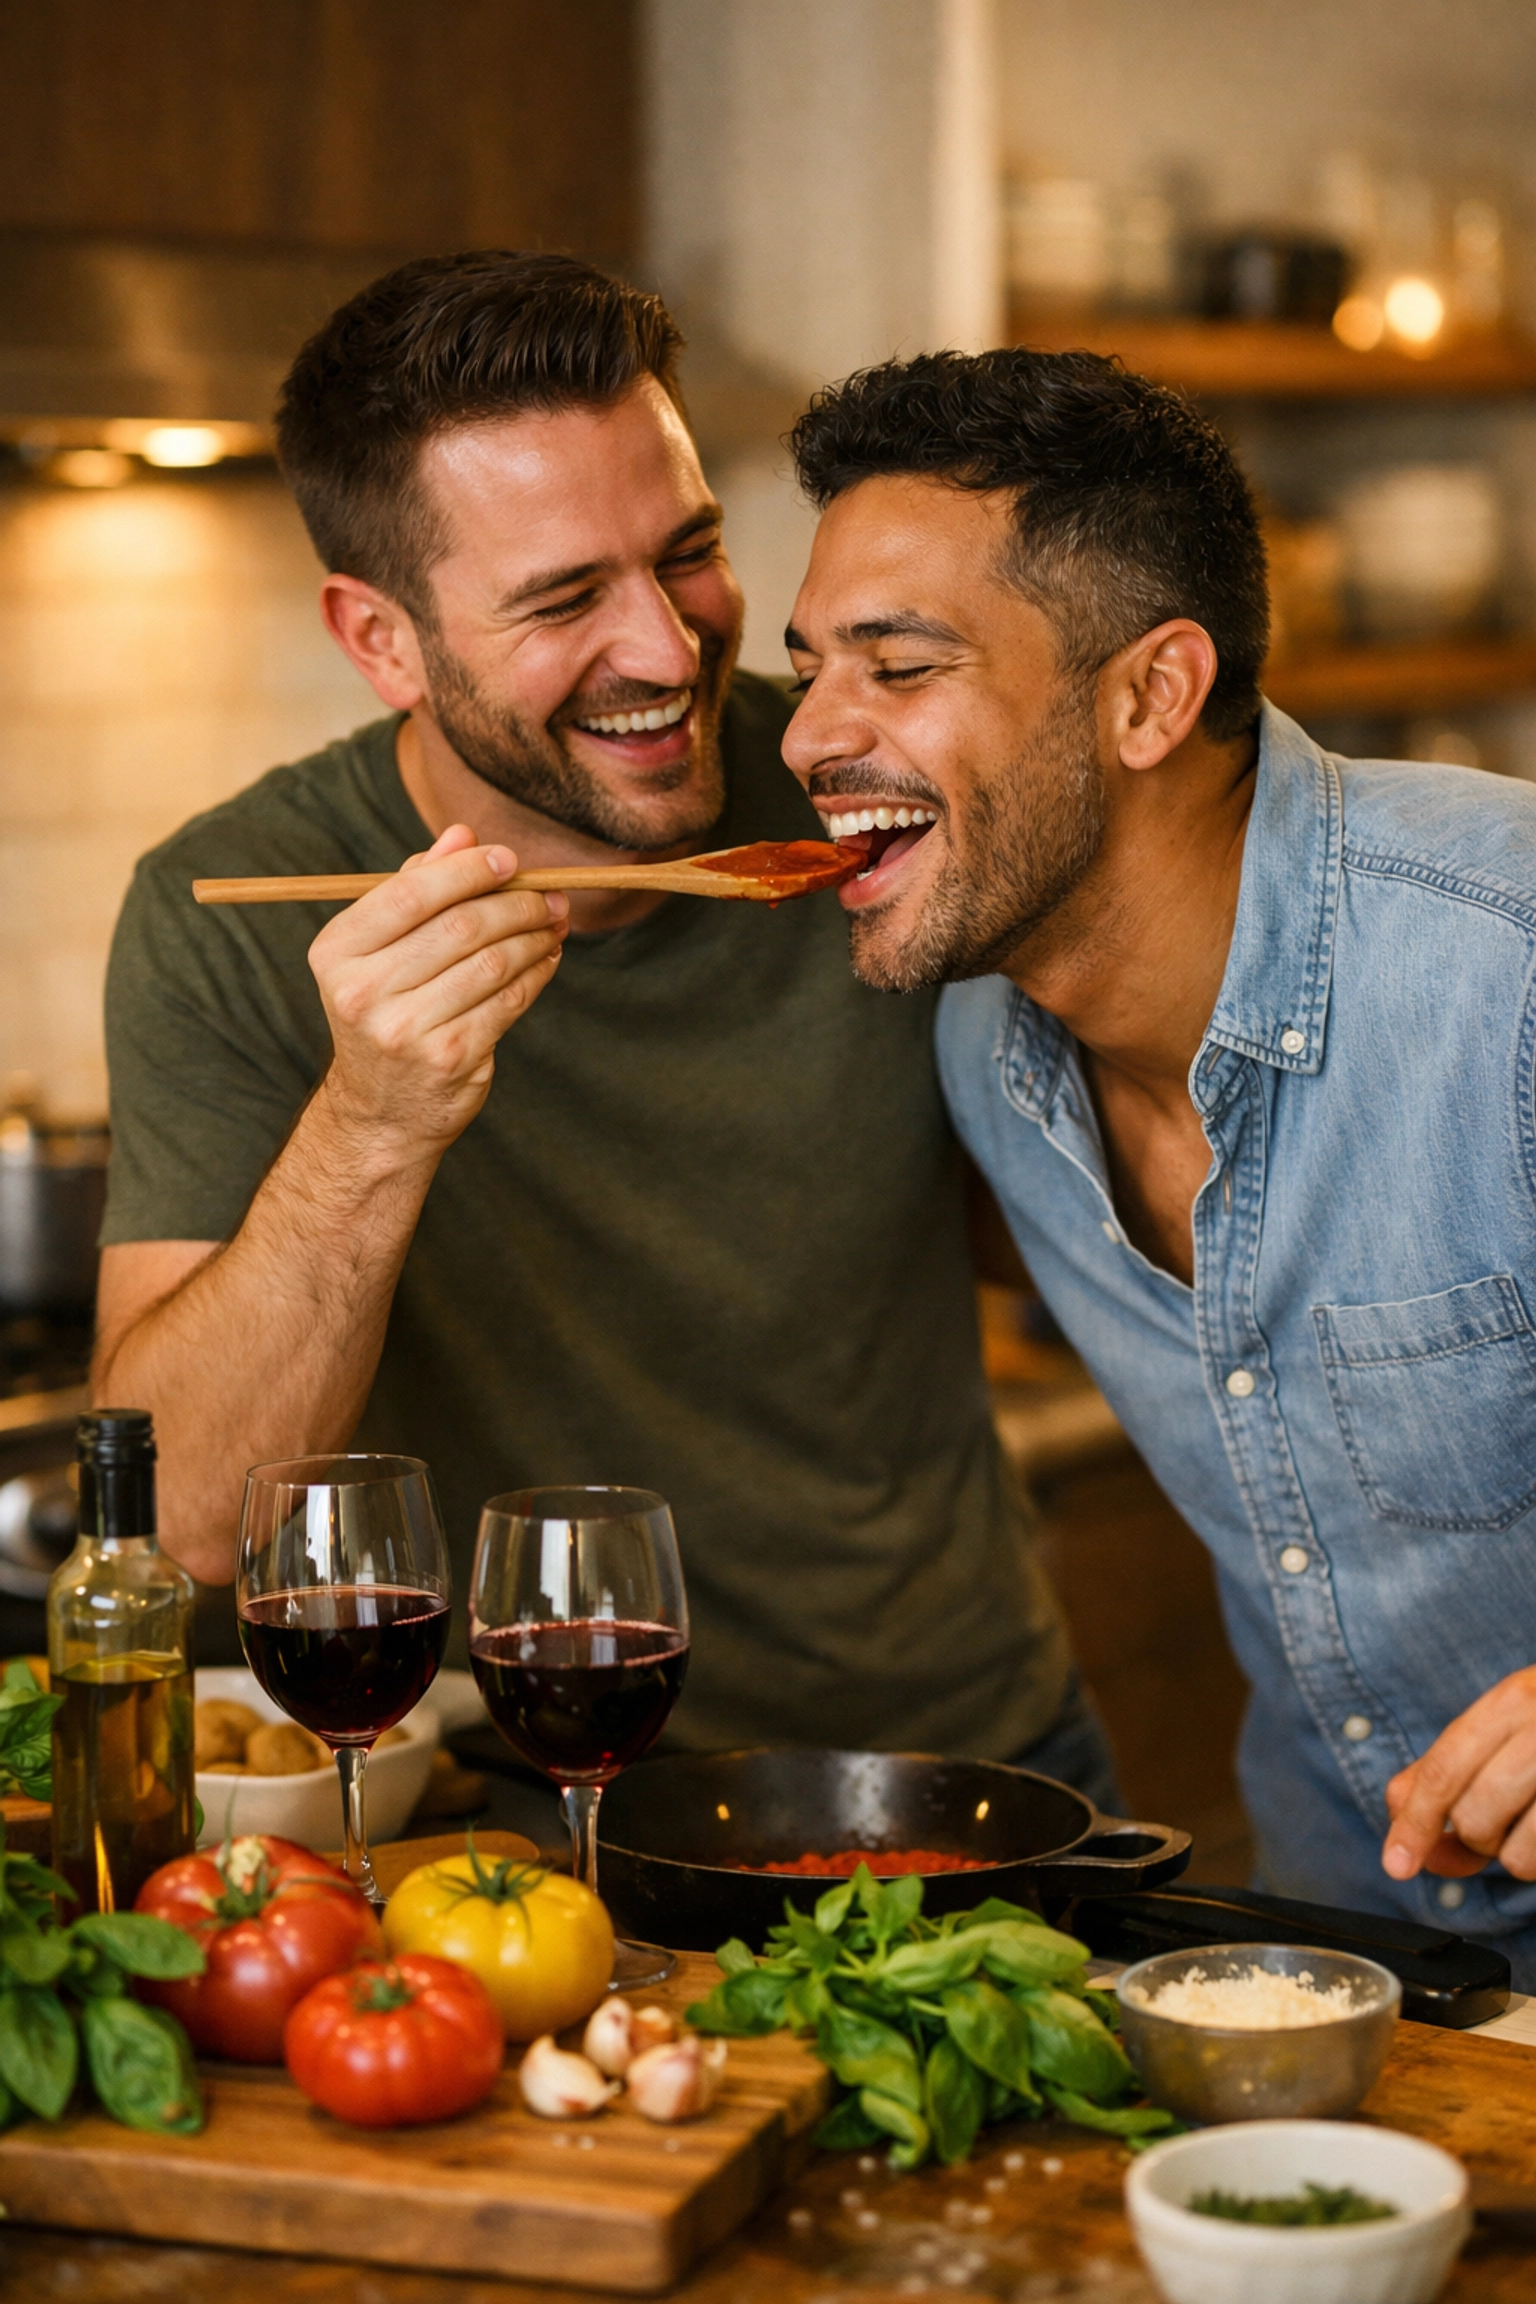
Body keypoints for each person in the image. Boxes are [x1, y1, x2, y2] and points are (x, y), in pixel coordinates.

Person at [92, 254, 1103, 1789]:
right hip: (512, 1801)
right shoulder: (222, 910)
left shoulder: (870, 797)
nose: (667, 648)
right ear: (380, 640)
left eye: (688, 553)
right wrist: (374, 1123)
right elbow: (185, 1524)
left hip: (952, 1749)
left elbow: (1072, 1237)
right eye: (565, 598)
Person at [779, 344, 1536, 1983]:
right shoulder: (987, 1054)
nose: (810, 734)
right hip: (1355, 1958)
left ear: (1151, 695)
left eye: (897, 666)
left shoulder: (1509, 957)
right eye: (811, 667)